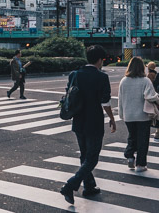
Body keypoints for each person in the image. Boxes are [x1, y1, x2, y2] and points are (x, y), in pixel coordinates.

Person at [59, 45, 116, 204]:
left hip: (78, 120)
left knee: (85, 155)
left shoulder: (74, 74)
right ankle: (71, 185)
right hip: (94, 121)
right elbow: (105, 102)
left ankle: (89, 186)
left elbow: (68, 95)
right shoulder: (101, 77)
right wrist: (111, 118)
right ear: (100, 60)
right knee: (92, 158)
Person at [118, 56, 159, 173]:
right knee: (143, 140)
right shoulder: (145, 80)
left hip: (128, 115)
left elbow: (120, 99)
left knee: (132, 136)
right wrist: (158, 98)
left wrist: (122, 114)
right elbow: (150, 96)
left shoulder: (124, 81)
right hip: (143, 115)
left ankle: (130, 155)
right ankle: (141, 164)